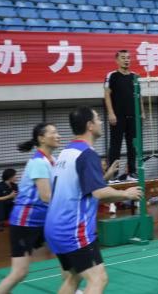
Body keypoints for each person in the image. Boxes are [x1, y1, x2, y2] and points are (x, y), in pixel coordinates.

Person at [44, 107, 142, 294]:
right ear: (90, 125)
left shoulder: (66, 152)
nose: (101, 122)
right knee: (98, 279)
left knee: (74, 277)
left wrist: (106, 176)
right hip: (72, 229)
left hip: (54, 227)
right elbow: (99, 193)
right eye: (98, 119)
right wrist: (126, 194)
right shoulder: (87, 154)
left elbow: (83, 187)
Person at [0, 123, 59, 294]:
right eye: (53, 132)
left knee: (68, 256)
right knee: (19, 272)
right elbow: (46, 196)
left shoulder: (53, 161)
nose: (58, 135)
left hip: (43, 220)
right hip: (25, 222)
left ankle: (71, 289)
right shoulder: (38, 162)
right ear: (41, 138)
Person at [103, 50, 137, 182]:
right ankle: (114, 174)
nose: (126, 60)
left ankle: (132, 173)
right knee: (115, 146)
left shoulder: (135, 76)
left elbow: (138, 96)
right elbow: (107, 94)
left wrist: (141, 112)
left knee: (132, 145)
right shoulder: (112, 76)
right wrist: (111, 113)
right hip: (117, 117)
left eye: (128, 58)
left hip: (133, 116)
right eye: (123, 58)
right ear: (117, 60)